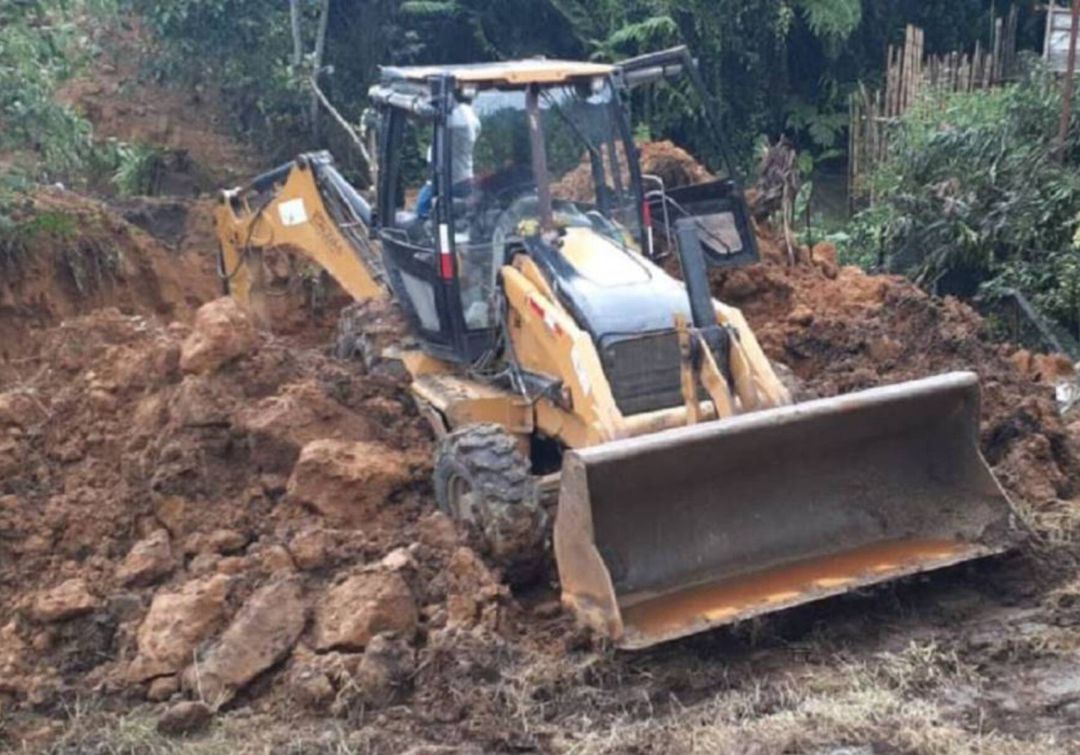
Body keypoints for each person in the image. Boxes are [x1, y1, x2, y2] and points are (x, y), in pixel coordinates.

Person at [416, 93, 480, 219]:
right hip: (462, 177)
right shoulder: (471, 117)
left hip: (447, 181)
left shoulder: (458, 118)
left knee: (422, 210)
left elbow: (426, 113)